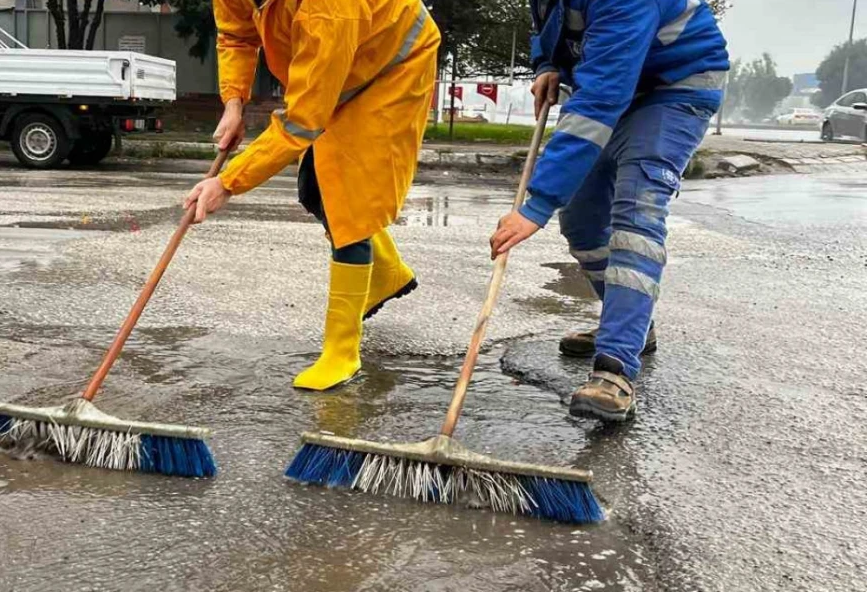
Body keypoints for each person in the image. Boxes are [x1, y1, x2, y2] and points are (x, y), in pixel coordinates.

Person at [489, 0, 728, 421]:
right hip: (618, 83)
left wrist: (537, 204)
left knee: (636, 215)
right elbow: (553, 28)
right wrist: (546, 64)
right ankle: (635, 326)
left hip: (673, 88)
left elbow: (599, 101)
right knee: (581, 221)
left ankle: (614, 368)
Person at [184, 0, 440, 391]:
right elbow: (236, 34)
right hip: (345, 66)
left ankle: (342, 351)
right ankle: (387, 273)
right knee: (314, 189)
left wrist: (229, 182)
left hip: (393, 68)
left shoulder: (329, 8)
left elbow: (303, 121)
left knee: (349, 197)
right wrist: (234, 102)